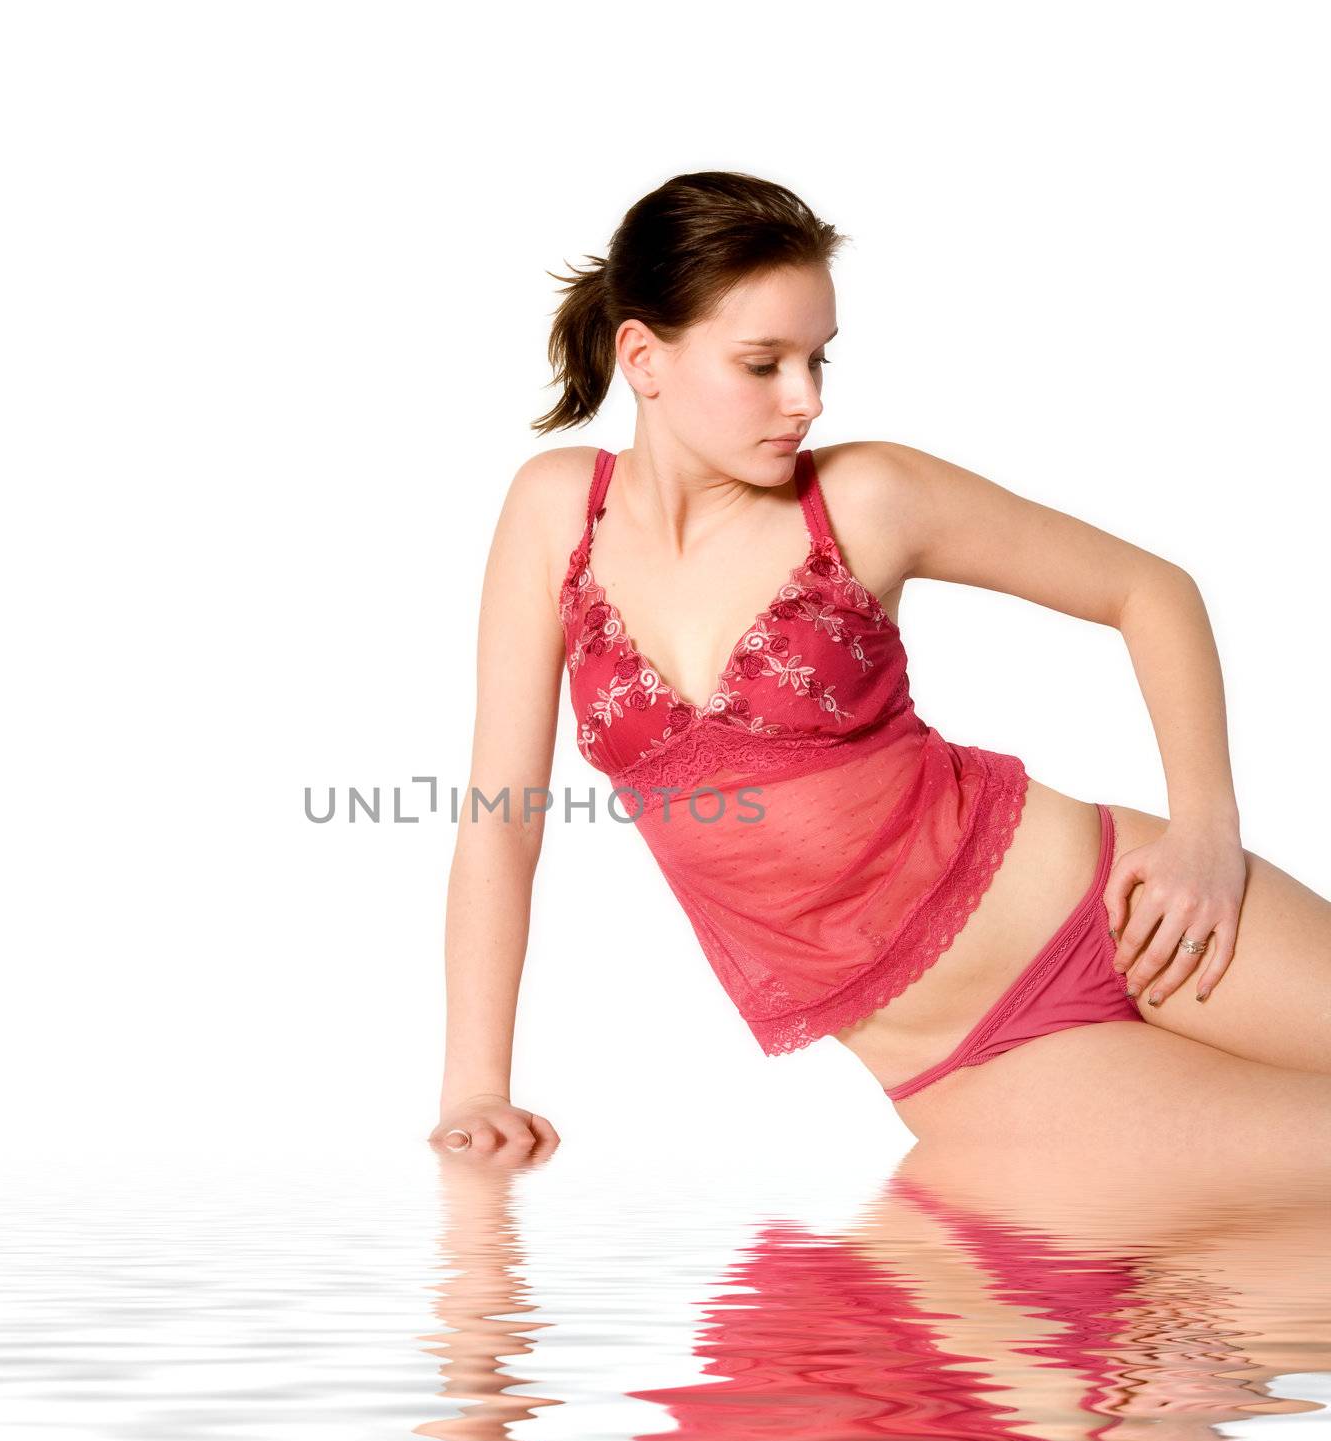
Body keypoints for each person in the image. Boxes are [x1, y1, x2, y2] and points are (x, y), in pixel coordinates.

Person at [431, 170, 1331, 1156]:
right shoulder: (555, 514)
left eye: (817, 359)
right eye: (763, 363)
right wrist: (475, 1087)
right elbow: (501, 819)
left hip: (1121, 909)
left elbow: (1147, 591)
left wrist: (1205, 827)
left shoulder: (866, 496)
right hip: (964, 1069)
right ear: (643, 357)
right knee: (1238, 1273)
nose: (805, 399)